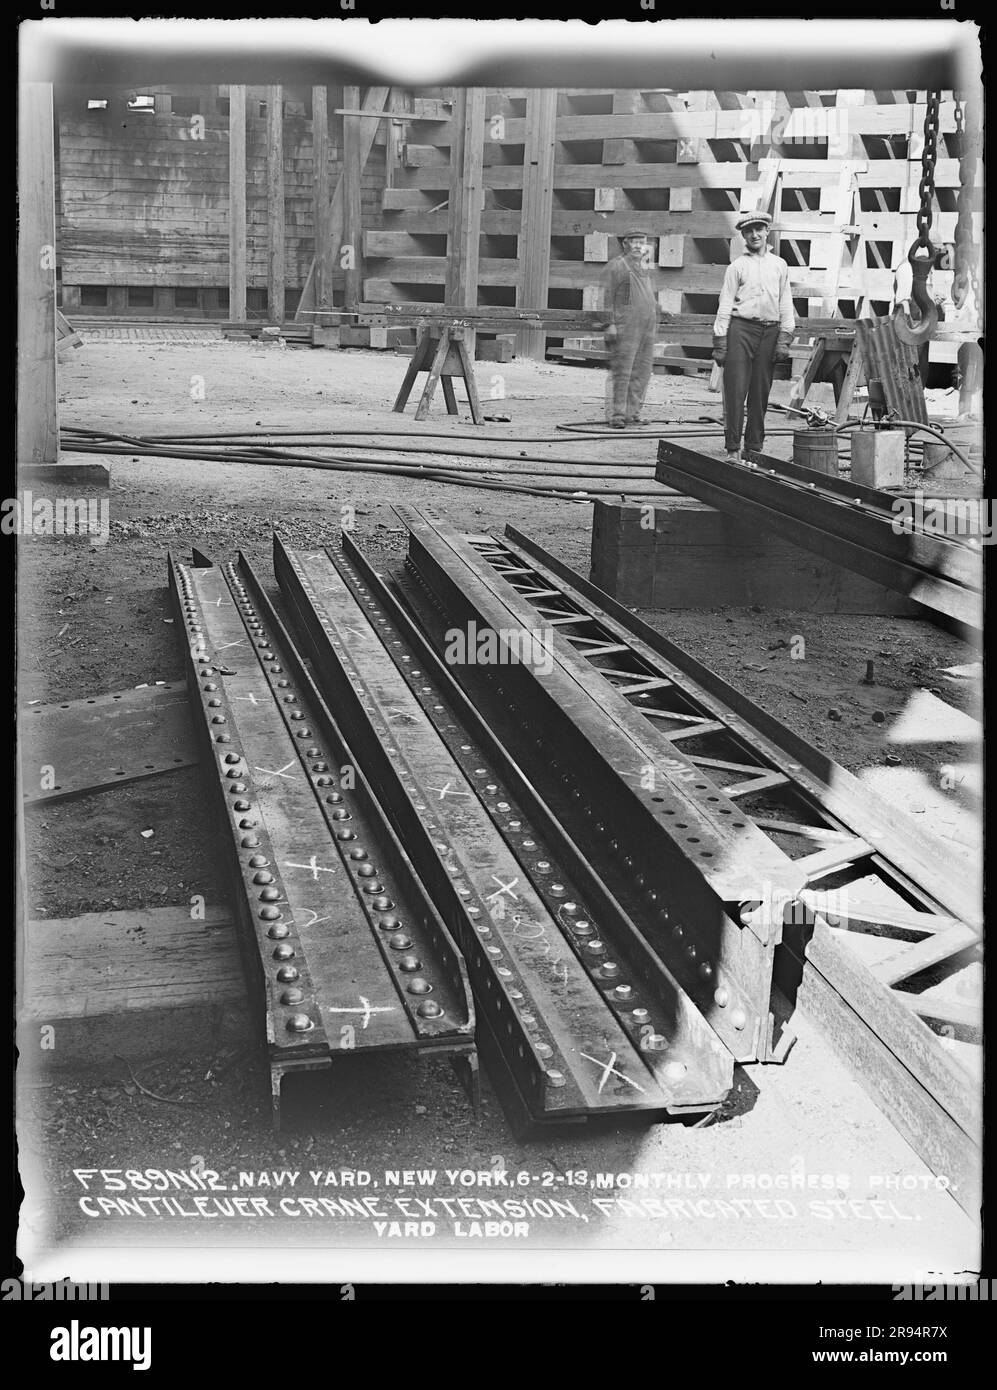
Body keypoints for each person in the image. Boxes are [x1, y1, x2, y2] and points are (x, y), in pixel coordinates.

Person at [712, 211, 795, 463]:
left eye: (759, 229)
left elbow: (785, 302)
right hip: (740, 329)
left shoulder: (779, 265)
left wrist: (785, 336)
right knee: (735, 389)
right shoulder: (737, 267)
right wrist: (720, 340)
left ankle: (754, 447)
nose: (754, 235)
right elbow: (725, 303)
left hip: (770, 331)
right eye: (749, 231)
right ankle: (732, 448)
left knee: (760, 392)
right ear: (743, 235)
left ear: (767, 231)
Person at [602, 231, 658, 428]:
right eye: (634, 242)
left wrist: (658, 308)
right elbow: (607, 295)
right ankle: (617, 415)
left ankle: (632, 413)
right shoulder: (617, 265)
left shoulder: (644, 265)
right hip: (626, 325)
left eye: (642, 242)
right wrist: (609, 323)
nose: (638, 246)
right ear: (625, 244)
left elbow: (648, 291)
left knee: (642, 371)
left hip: (647, 326)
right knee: (623, 372)